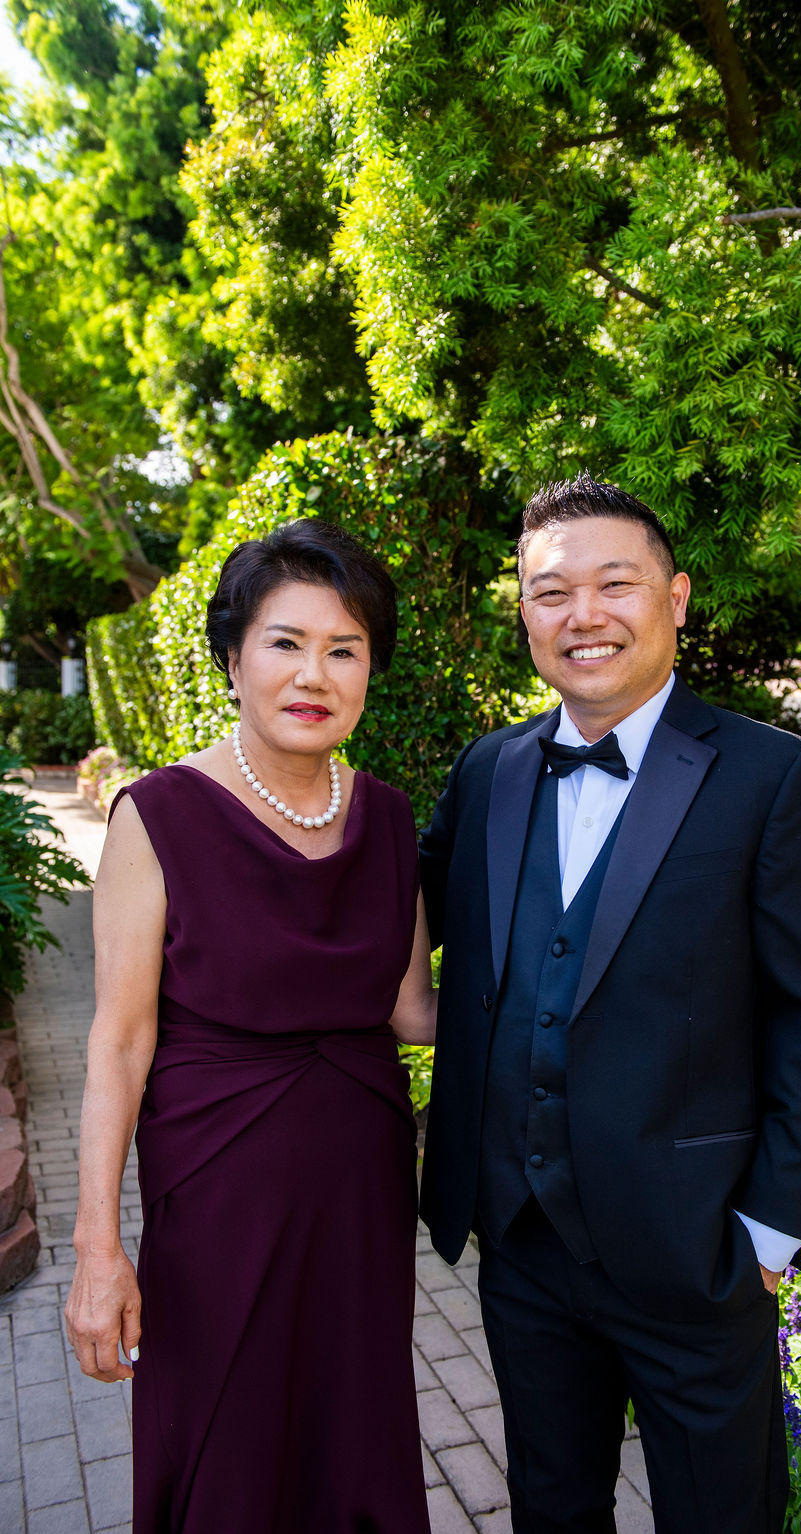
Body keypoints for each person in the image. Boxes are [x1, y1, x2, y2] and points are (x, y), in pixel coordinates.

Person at [418, 473, 801, 1534]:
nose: (582, 614)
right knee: (551, 1507)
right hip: (522, 1245)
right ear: (524, 612)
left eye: (613, 584)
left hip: (697, 1251)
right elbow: (383, 918)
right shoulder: (488, 771)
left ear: (674, 598)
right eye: (551, 592)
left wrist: (771, 1232)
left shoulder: (772, 776)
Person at [65, 519, 434, 1534]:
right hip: (218, 1195)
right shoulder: (158, 815)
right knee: (227, 1451)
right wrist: (98, 1249)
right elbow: (119, 1043)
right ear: (233, 659)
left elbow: (411, 1011)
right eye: (285, 642)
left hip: (361, 1197)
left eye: (344, 649)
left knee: (351, 1441)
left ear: (369, 672)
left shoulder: (390, 818)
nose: (314, 673)